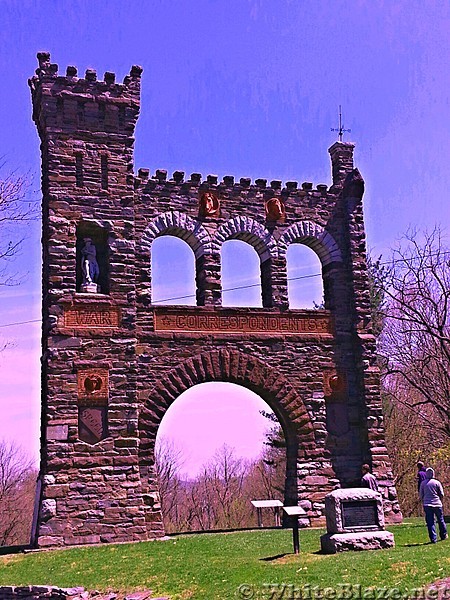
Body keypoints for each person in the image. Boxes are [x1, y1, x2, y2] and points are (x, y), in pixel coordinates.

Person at [419, 467, 447, 543]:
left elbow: (421, 495)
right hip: (437, 504)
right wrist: (440, 500)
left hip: (427, 504)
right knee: (441, 520)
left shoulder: (423, 483)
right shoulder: (437, 483)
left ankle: (433, 538)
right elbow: (441, 494)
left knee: (430, 522)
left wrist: (423, 501)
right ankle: (443, 535)